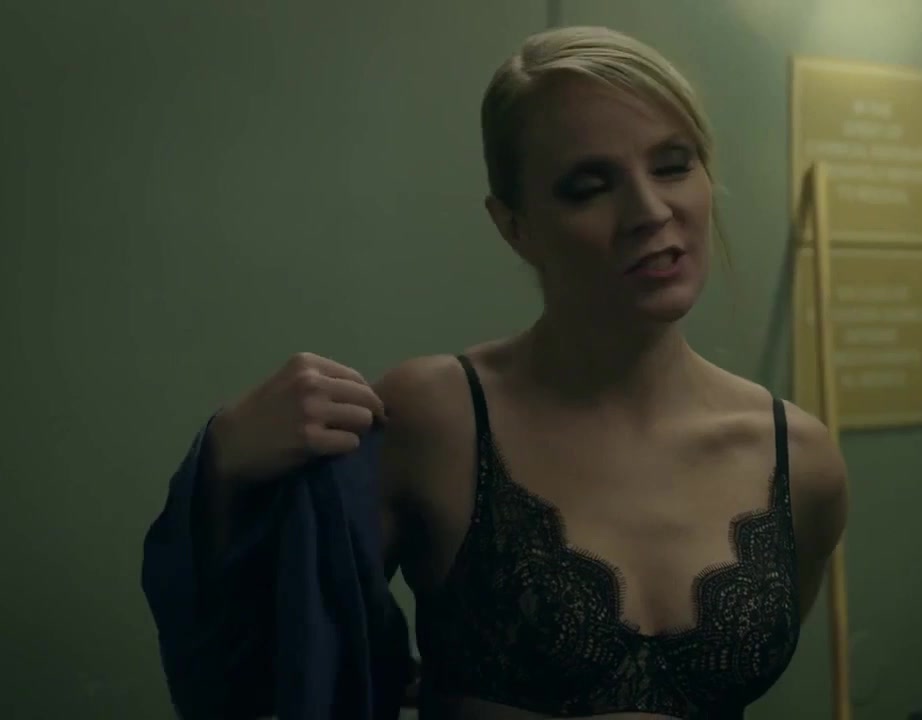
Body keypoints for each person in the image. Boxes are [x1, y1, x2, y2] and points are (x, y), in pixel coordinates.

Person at [160, 25, 849, 719]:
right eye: (588, 187)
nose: (649, 211)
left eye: (673, 165)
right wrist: (225, 464)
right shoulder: (436, 418)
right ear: (514, 226)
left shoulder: (801, 460)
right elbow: (270, 668)